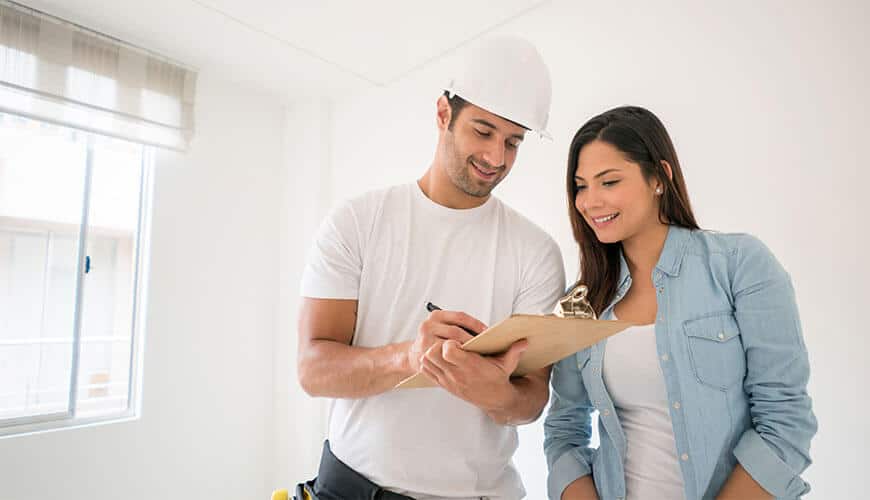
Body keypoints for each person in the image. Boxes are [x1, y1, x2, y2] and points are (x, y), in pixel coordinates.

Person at [296, 35, 565, 500]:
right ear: (444, 113)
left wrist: (494, 392)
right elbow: (313, 369)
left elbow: (532, 399)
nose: (496, 158)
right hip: (351, 490)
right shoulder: (358, 222)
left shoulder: (536, 252)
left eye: (513, 142)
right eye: (483, 132)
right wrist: (407, 358)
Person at [544, 106, 817, 499]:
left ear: (659, 177)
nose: (590, 201)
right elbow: (564, 430)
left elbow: (786, 422)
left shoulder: (740, 265)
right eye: (581, 185)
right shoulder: (581, 302)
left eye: (609, 181)